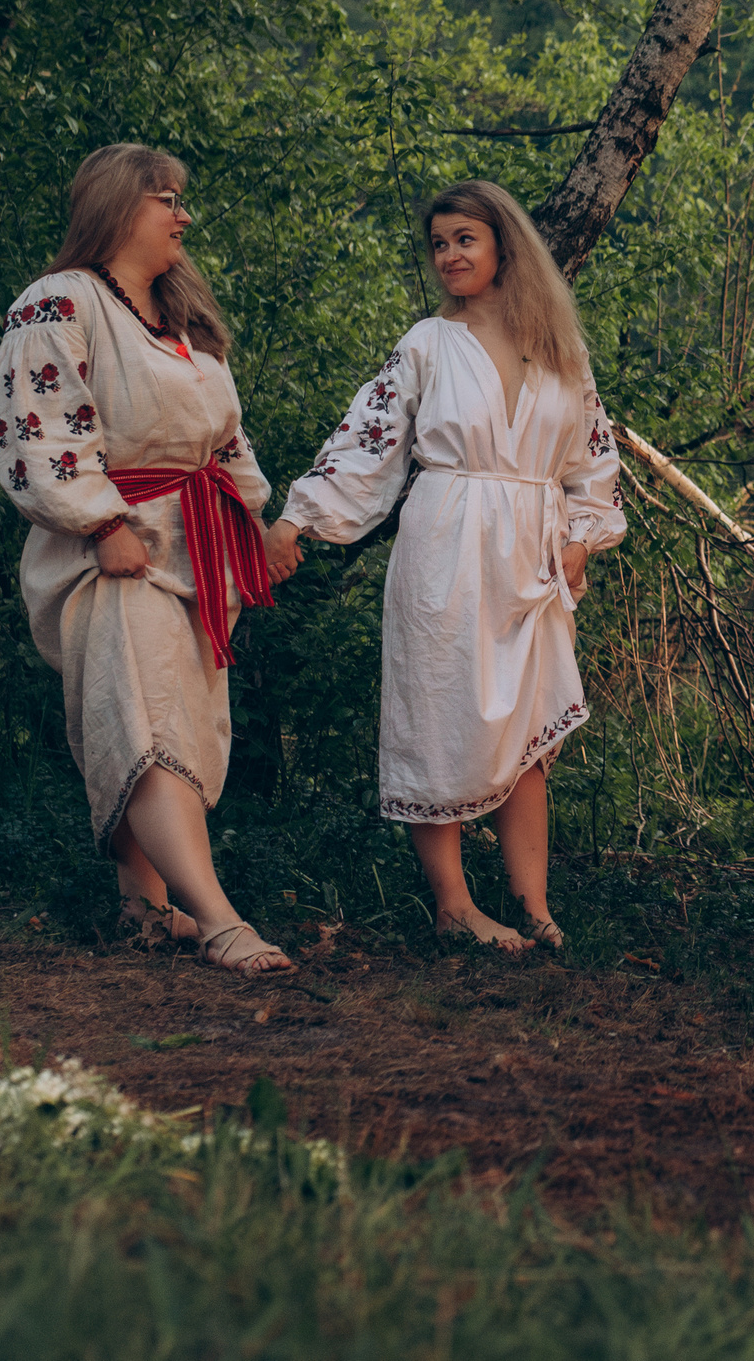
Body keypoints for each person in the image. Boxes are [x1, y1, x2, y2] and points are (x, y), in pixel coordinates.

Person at [267, 180, 626, 951]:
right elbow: (367, 443)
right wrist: (299, 517)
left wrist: (581, 539)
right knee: (441, 718)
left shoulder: (561, 351)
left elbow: (592, 463)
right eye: (438, 243)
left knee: (526, 732)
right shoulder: (426, 344)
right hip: (446, 550)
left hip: (531, 555)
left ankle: (535, 906)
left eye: (464, 237)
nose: (449, 255)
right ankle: (455, 906)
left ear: (503, 244)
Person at [0, 144, 301, 976]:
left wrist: (254, 526)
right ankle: (223, 918)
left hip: (198, 547)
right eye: (167, 199)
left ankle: (146, 909)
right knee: (146, 724)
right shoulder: (58, 303)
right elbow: (38, 430)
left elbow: (226, 437)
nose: (183, 215)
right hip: (115, 553)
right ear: (120, 205)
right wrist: (98, 526)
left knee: (175, 729)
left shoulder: (181, 318)